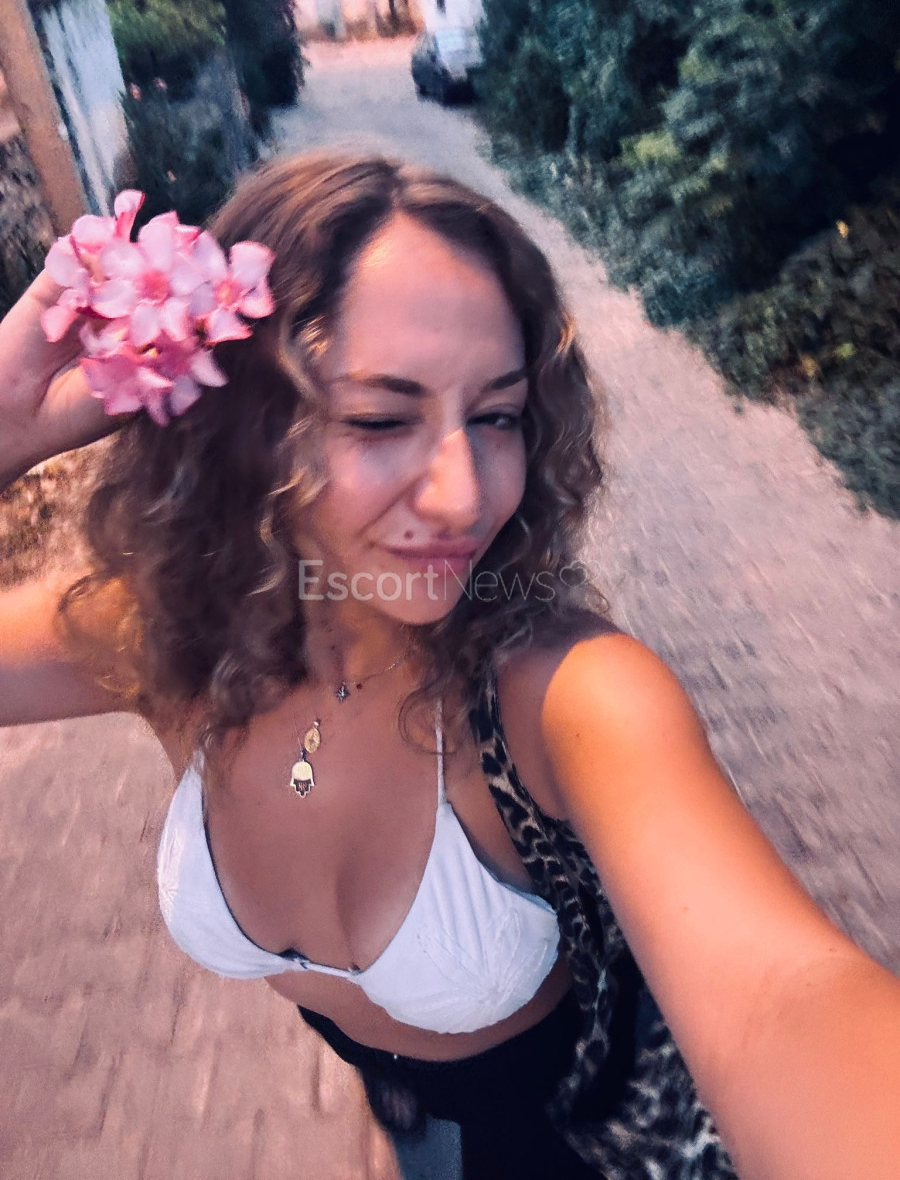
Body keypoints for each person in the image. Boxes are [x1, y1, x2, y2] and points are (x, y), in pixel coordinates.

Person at [0, 152, 898, 1180]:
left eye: (498, 414)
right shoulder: (166, 634)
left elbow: (783, 996)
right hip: (412, 1124)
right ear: (246, 424)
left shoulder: (568, 697)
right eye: (380, 420)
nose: (465, 496)